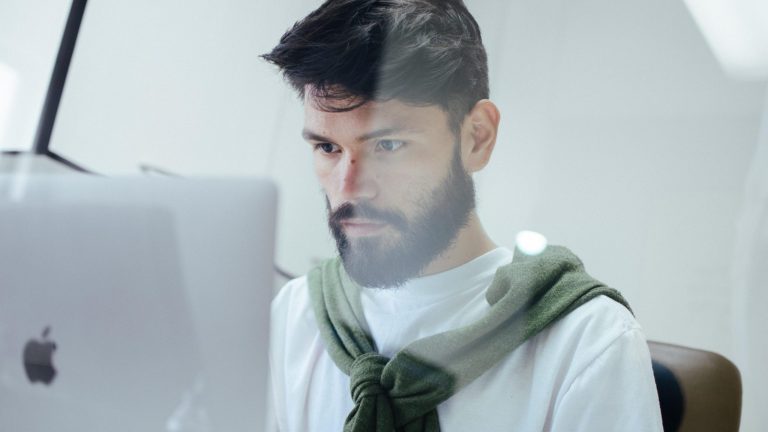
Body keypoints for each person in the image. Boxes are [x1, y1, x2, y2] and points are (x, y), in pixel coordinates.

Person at [263, 0, 663, 431]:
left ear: (477, 138)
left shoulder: (586, 342)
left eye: (388, 145)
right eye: (327, 147)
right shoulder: (297, 313)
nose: (348, 186)